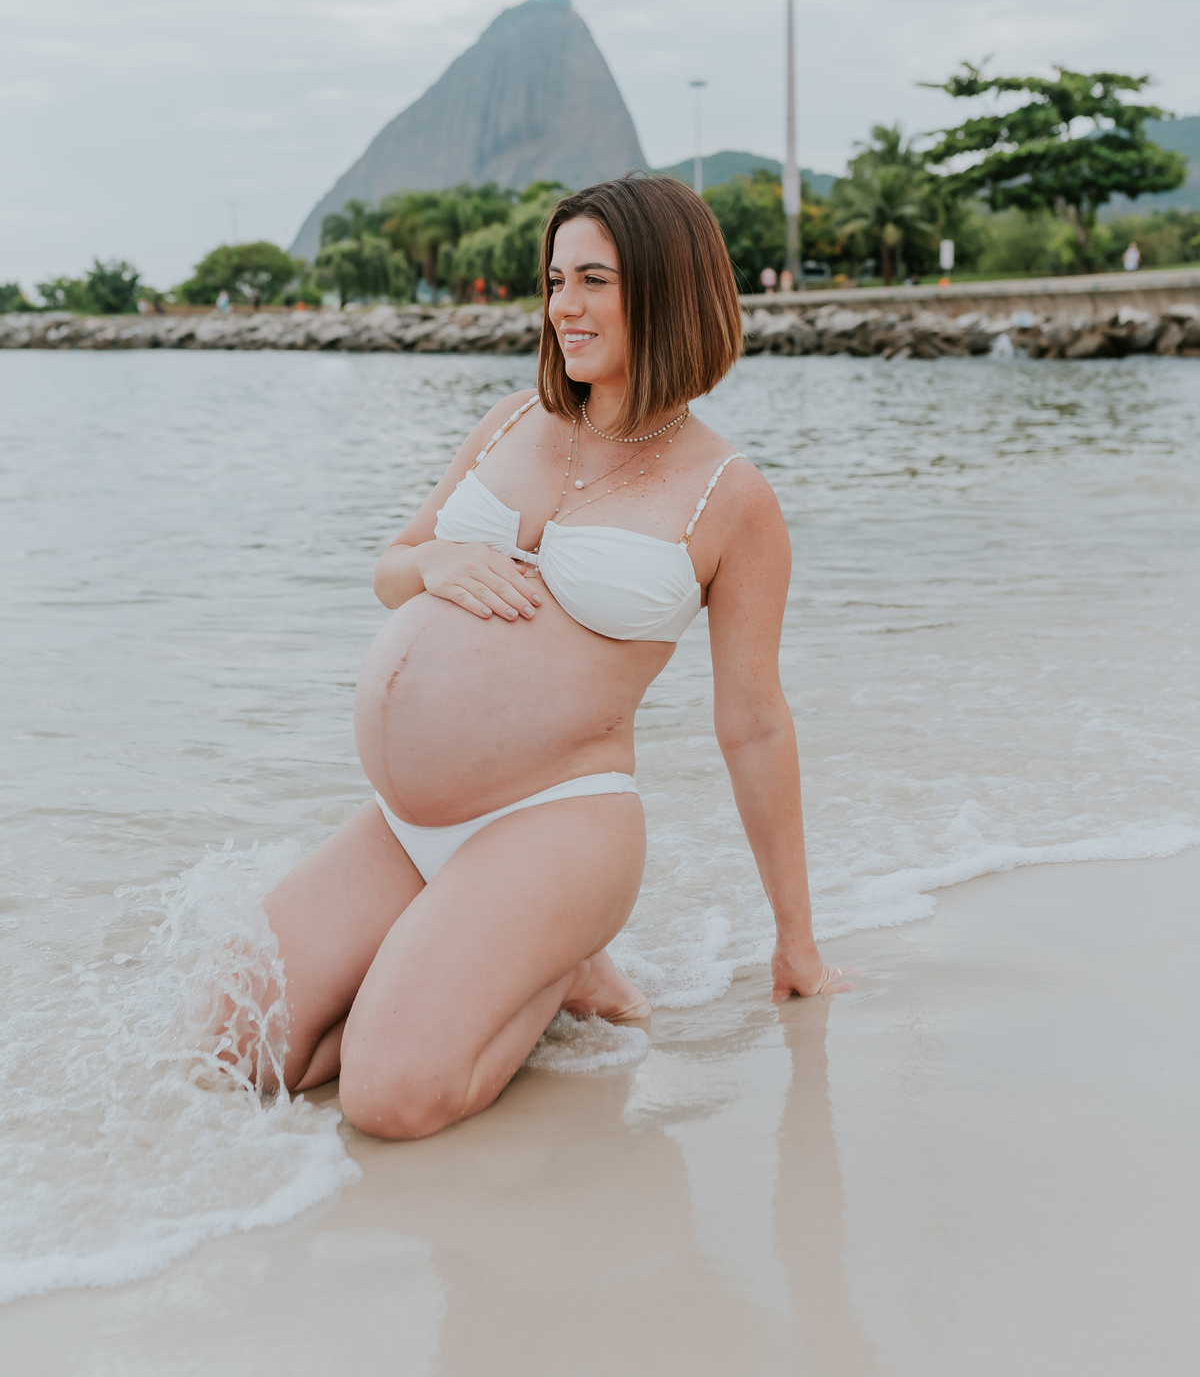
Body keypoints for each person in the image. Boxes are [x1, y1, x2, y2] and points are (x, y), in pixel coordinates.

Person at [247, 173, 844, 1140]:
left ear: (667, 289)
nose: (563, 306)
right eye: (556, 279)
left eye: (594, 280)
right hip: (414, 821)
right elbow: (392, 566)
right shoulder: (513, 421)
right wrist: (436, 560)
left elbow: (754, 722)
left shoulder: (731, 497)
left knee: (387, 1098)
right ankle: (497, 958)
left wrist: (797, 940)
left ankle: (552, 951)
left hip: (558, 821)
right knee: (243, 1053)